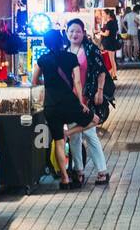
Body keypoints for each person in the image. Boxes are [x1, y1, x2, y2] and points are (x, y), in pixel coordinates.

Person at [30, 29, 94, 190]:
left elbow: (34, 81)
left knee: (58, 142)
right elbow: (77, 82)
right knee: (94, 120)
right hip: (69, 103)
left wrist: (48, 85)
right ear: (61, 40)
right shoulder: (71, 58)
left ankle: (64, 179)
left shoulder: (42, 59)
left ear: (45, 43)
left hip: (51, 105)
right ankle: (70, 133)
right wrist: (81, 102)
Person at [65, 18, 111, 185]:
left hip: (87, 97)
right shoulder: (66, 50)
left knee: (90, 134)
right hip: (71, 100)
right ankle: (79, 171)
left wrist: (99, 91)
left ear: (83, 32)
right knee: (74, 136)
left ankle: (102, 171)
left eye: (77, 31)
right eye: (71, 31)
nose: (74, 34)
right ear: (66, 32)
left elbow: (101, 71)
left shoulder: (91, 49)